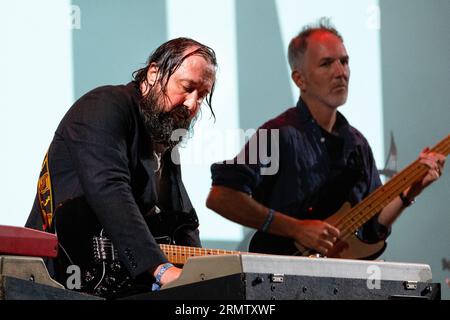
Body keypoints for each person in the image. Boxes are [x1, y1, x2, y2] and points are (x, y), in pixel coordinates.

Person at [206, 21, 446, 258]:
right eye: (326, 64)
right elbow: (221, 196)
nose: (341, 72)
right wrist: (297, 229)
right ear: (300, 80)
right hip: (280, 278)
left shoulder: (357, 144)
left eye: (344, 61)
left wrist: (409, 192)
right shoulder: (275, 134)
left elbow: (371, 229)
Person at [25, 37, 217, 296]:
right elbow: (109, 189)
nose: (192, 104)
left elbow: (180, 218)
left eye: (202, 96)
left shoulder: (161, 134)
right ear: (153, 74)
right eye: (187, 87)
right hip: (61, 278)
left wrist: (203, 274)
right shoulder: (104, 105)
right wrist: (160, 269)